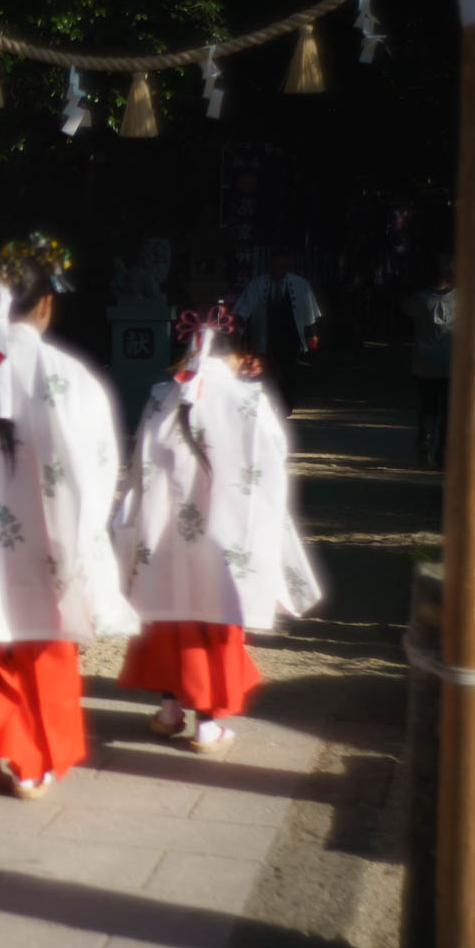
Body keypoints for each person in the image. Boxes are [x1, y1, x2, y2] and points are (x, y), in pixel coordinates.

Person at [0, 235, 139, 799]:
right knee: (49, 649)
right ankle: (33, 758)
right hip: (52, 534)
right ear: (46, 303)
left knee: (3, 636)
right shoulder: (65, 375)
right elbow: (95, 464)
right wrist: (86, 538)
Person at [114, 306, 322, 753]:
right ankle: (208, 724)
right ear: (235, 355)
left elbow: (139, 468)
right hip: (224, 534)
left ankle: (170, 712)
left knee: (169, 616)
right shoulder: (248, 401)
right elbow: (271, 463)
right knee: (215, 620)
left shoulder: (159, 396)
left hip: (166, 534)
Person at [231, 252, 322, 412]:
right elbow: (243, 310)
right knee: (267, 371)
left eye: (282, 267)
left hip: (290, 336)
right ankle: (268, 404)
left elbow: (309, 313)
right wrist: (237, 328)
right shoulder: (258, 284)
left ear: (287, 268)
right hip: (267, 336)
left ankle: (286, 405)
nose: (278, 271)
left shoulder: (300, 285)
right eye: (275, 267)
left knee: (288, 372)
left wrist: (312, 334)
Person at [401, 257, 455, 469]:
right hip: (451, 363)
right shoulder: (462, 299)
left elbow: (404, 308)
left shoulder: (419, 299)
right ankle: (444, 454)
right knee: (448, 412)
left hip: (425, 363)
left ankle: (425, 449)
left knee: (428, 409)